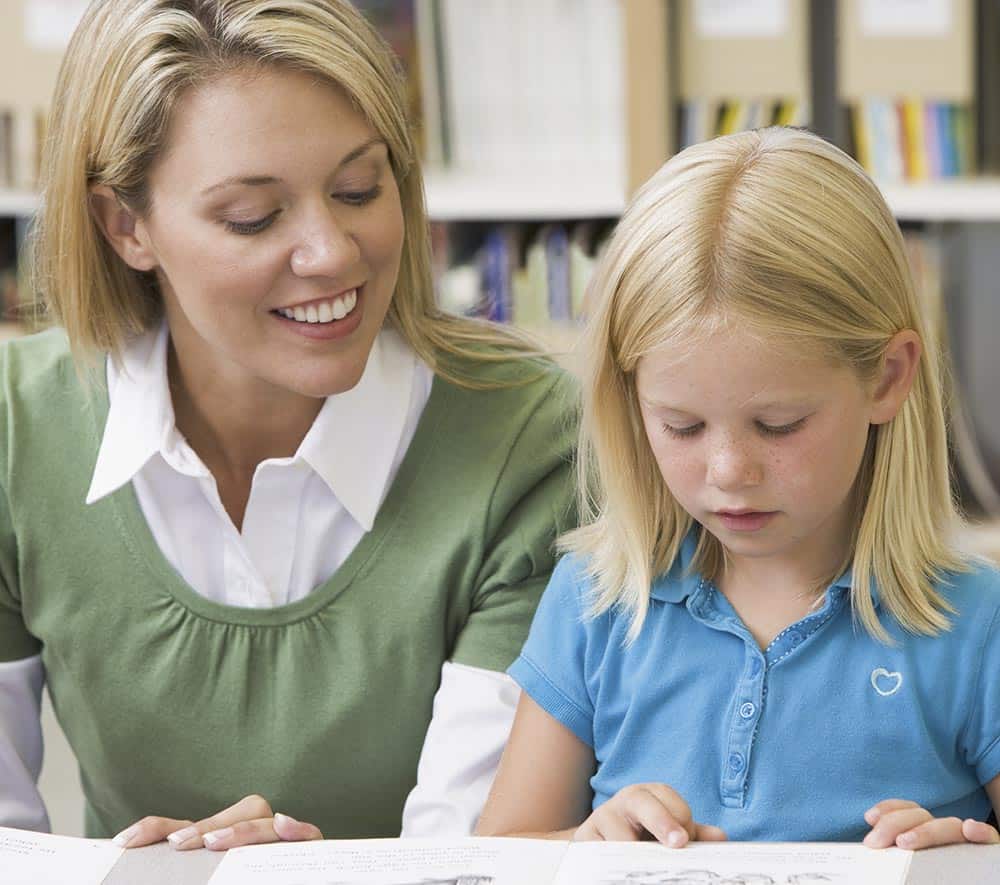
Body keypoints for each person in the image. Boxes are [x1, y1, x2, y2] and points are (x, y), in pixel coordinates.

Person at [0, 0, 576, 849]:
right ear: (126, 226)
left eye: (358, 189)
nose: (332, 252)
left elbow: (476, 855)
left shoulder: (526, 437)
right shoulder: (18, 430)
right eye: (253, 216)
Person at [475, 127, 1000, 849]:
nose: (729, 471)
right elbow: (495, 856)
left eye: (778, 424)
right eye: (682, 426)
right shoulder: (597, 601)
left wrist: (971, 858)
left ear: (887, 377)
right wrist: (584, 845)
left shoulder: (975, 623)